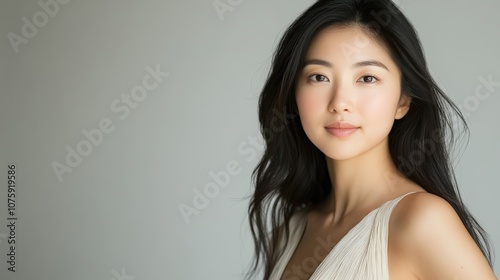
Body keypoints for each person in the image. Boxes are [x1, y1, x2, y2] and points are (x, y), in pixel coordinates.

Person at [246, 0, 497, 279]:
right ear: (294, 95)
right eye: (319, 77)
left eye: (367, 78)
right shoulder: (288, 233)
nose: (340, 103)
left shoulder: (421, 221)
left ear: (403, 101)